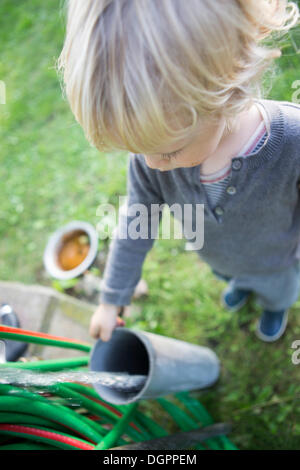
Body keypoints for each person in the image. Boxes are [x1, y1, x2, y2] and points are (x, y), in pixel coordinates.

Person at [58, 0, 300, 343]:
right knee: (230, 276)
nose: (152, 164)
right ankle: (240, 285)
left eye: (169, 151)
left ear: (227, 85)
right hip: (221, 258)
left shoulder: (292, 140)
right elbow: (136, 222)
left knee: (278, 292)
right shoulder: (152, 159)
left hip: (275, 262)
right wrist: (112, 299)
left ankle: (274, 307)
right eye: (139, 151)